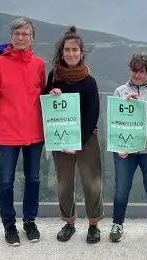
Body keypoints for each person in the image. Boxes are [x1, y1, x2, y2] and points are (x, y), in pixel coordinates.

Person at [0, 18, 45, 247]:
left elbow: (43, 97)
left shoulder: (39, 64)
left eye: (25, 34)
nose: (20, 37)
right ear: (11, 36)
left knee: (34, 180)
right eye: (17, 33)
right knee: (6, 182)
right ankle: (9, 226)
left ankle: (29, 222)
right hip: (7, 133)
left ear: (32, 38)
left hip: (35, 132)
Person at [44, 26, 103, 243]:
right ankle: (69, 222)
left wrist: (77, 142)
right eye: (67, 50)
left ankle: (93, 224)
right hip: (60, 138)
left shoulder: (89, 81)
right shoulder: (54, 76)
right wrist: (50, 94)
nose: (71, 53)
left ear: (81, 52)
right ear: (62, 52)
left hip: (86, 138)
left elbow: (92, 114)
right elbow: (45, 103)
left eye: (75, 49)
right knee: (64, 183)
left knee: (91, 182)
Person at [110, 53, 147, 243]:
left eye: (142, 71)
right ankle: (117, 224)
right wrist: (118, 145)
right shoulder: (119, 90)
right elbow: (115, 120)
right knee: (121, 188)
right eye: (134, 70)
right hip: (125, 149)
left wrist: (139, 104)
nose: (137, 75)